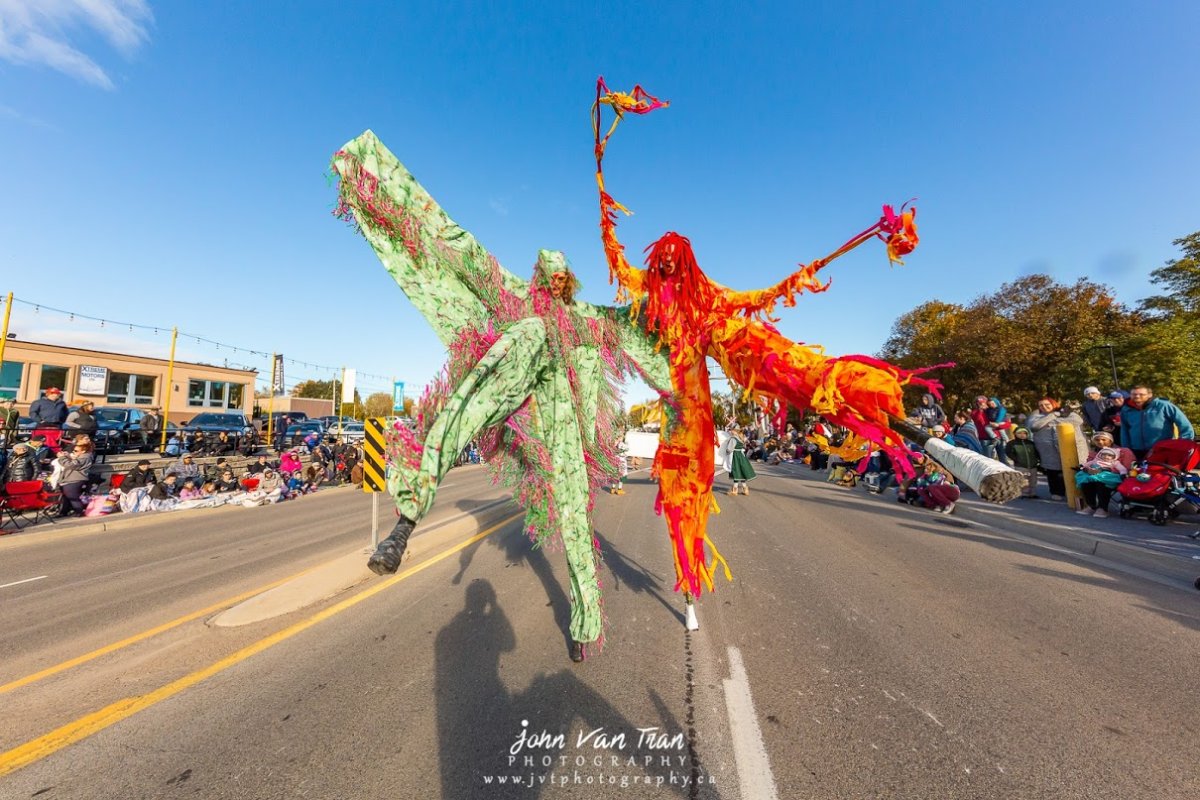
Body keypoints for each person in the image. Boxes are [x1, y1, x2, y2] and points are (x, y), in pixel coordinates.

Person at [334, 133, 673, 662]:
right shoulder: (513, 296)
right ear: (540, 276)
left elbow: (637, 331)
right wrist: (375, 178)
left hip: (557, 421)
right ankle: (403, 525)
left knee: (576, 520)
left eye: (564, 280)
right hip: (510, 367)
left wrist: (693, 329)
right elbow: (459, 246)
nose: (558, 286)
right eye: (551, 277)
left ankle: (586, 622)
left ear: (570, 282)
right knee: (466, 402)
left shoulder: (586, 321)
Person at [1121, 385, 1195, 461]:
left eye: (1141, 394)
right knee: (1138, 472)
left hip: (1162, 449)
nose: (1137, 396)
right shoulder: (1127, 409)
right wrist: (1126, 448)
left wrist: (1185, 441)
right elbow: (1124, 430)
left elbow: (1184, 423)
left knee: (1160, 472)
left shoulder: (1163, 405)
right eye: (1134, 394)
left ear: (1150, 395)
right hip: (1136, 450)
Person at [1074, 447, 1128, 518]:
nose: (1106, 457)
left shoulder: (1114, 462)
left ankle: (1102, 508)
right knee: (1086, 483)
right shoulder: (1096, 460)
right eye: (1104, 455)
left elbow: (1122, 469)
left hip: (1106, 476)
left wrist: (1123, 474)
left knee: (1102, 484)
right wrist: (1082, 467)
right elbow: (1088, 464)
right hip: (1092, 474)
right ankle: (1091, 505)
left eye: (1109, 455)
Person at [56, 438, 95, 517]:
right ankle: (63, 512)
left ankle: (79, 511)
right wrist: (67, 456)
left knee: (73, 497)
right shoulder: (82, 456)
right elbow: (74, 462)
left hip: (75, 479)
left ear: (83, 451)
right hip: (70, 478)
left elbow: (72, 465)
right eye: (73, 450)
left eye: (76, 451)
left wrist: (62, 458)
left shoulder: (85, 457)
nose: (74, 452)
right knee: (66, 497)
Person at [1005, 427, 1040, 499]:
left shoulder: (1030, 443)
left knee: (1033, 479)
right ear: (1015, 434)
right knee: (1024, 479)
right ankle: (1024, 493)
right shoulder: (1012, 443)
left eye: (1024, 433)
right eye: (1019, 433)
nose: (1022, 435)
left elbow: (1036, 452)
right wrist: (1016, 459)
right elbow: (1008, 452)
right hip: (1021, 465)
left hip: (1033, 465)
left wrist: (1037, 460)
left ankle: (1033, 493)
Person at [722, 428, 756, 495]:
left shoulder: (733, 439)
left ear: (734, 431)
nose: (730, 431)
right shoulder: (741, 438)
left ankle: (735, 490)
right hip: (741, 456)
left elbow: (729, 449)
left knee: (736, 472)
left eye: (731, 430)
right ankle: (745, 489)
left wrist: (725, 451)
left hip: (735, 456)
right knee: (740, 473)